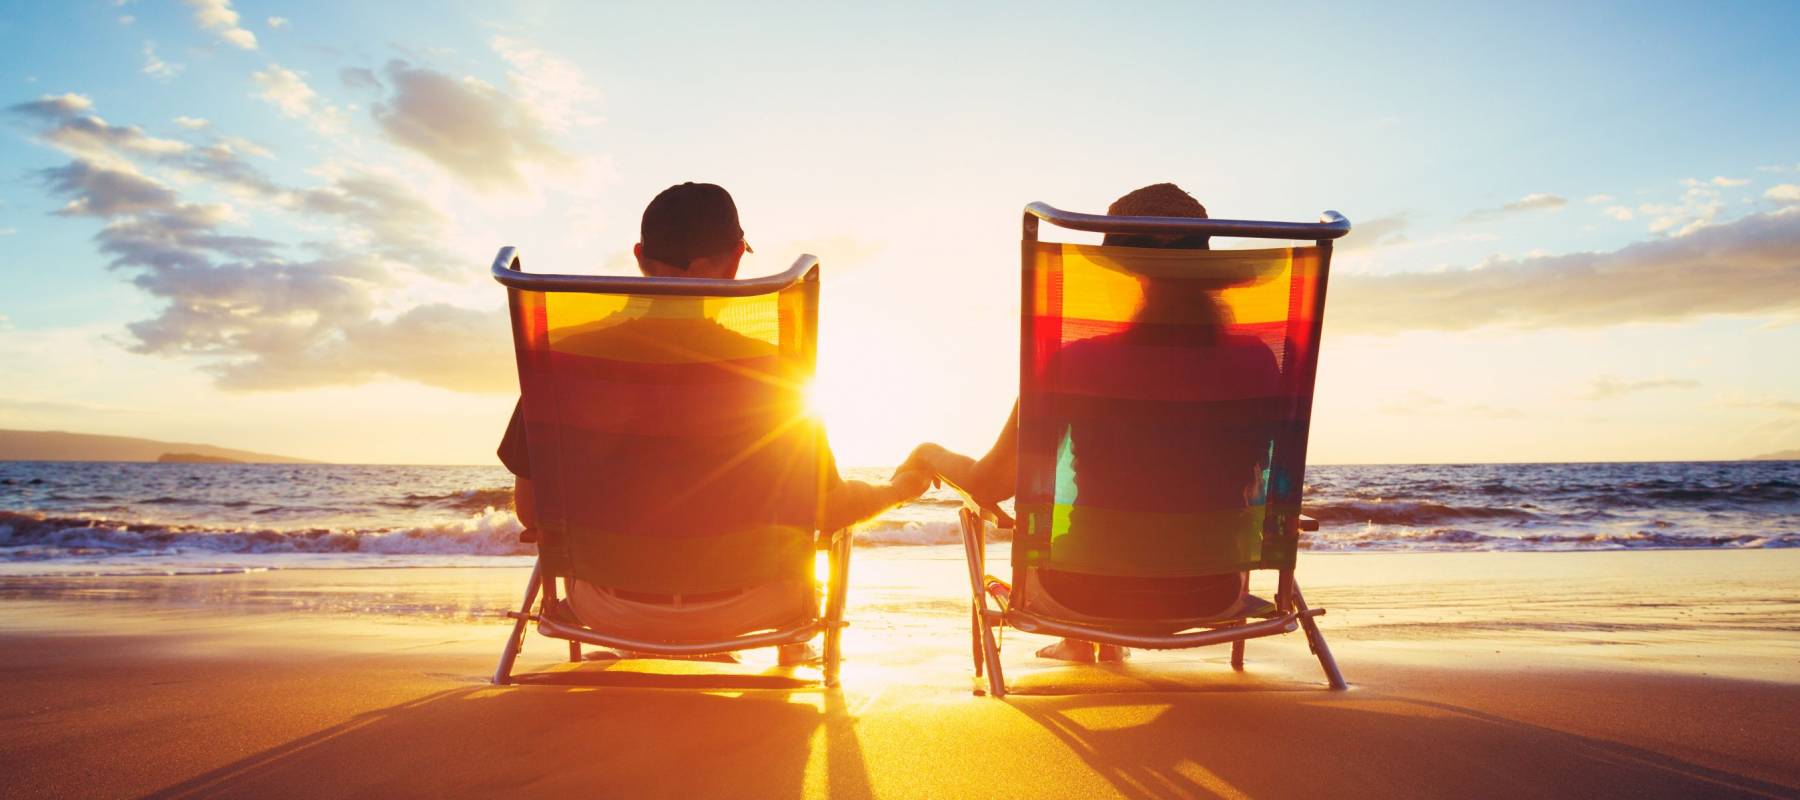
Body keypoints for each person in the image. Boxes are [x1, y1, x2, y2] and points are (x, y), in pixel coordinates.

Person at [500, 182, 930, 664]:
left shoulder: (565, 362)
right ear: (733, 262)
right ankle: (790, 650)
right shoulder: (774, 373)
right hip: (752, 608)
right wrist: (899, 489)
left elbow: (532, 510)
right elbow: (828, 512)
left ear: (640, 255)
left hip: (603, 609)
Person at [898, 183, 1276, 663]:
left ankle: (1083, 635)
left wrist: (930, 454)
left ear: (1127, 274)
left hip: (1081, 593)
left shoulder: (1076, 362)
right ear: (1206, 271)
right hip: (1211, 591)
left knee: (1089, 533)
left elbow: (990, 483)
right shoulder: (1258, 361)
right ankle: (1091, 641)